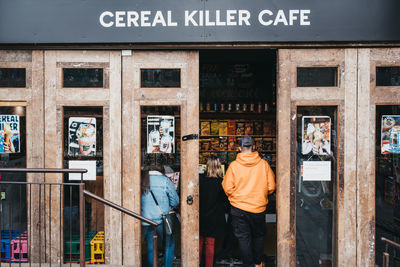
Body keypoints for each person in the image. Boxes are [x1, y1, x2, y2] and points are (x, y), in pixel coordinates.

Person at [222, 136, 275, 267]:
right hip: (258, 208)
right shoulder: (264, 164)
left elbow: (227, 187)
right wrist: (260, 194)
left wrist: (237, 197)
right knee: (258, 236)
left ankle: (248, 264)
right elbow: (271, 187)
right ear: (254, 147)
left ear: (239, 148)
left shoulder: (234, 166)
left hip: (238, 208)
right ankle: (258, 263)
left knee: (243, 238)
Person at [141, 165, 180, 267]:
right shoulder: (165, 181)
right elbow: (175, 201)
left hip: (145, 220)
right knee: (169, 244)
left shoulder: (142, 180)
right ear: (161, 170)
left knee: (151, 248)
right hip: (162, 219)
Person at [199, 156, 228, 267]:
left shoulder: (200, 180)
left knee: (199, 242)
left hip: (201, 215)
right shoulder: (221, 182)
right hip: (215, 217)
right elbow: (225, 202)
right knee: (210, 243)